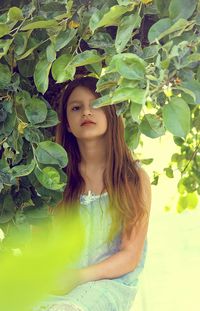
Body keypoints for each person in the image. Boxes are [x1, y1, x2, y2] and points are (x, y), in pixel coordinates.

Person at [34, 76, 151, 311]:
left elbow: (130, 255)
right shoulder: (53, 179)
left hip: (108, 285)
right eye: (76, 108)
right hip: (60, 285)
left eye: (96, 104)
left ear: (110, 114)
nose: (86, 112)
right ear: (67, 123)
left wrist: (77, 277)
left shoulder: (133, 178)